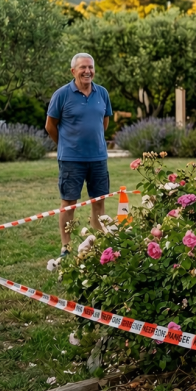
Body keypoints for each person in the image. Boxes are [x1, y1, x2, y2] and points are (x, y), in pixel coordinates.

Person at [45, 53, 113, 256]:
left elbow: (104, 123)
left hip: (98, 158)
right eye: (83, 67)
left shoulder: (102, 93)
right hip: (71, 159)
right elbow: (50, 126)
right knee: (69, 202)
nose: (88, 71)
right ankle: (66, 247)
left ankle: (96, 243)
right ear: (73, 71)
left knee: (98, 201)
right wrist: (65, 145)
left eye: (90, 67)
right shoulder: (62, 94)